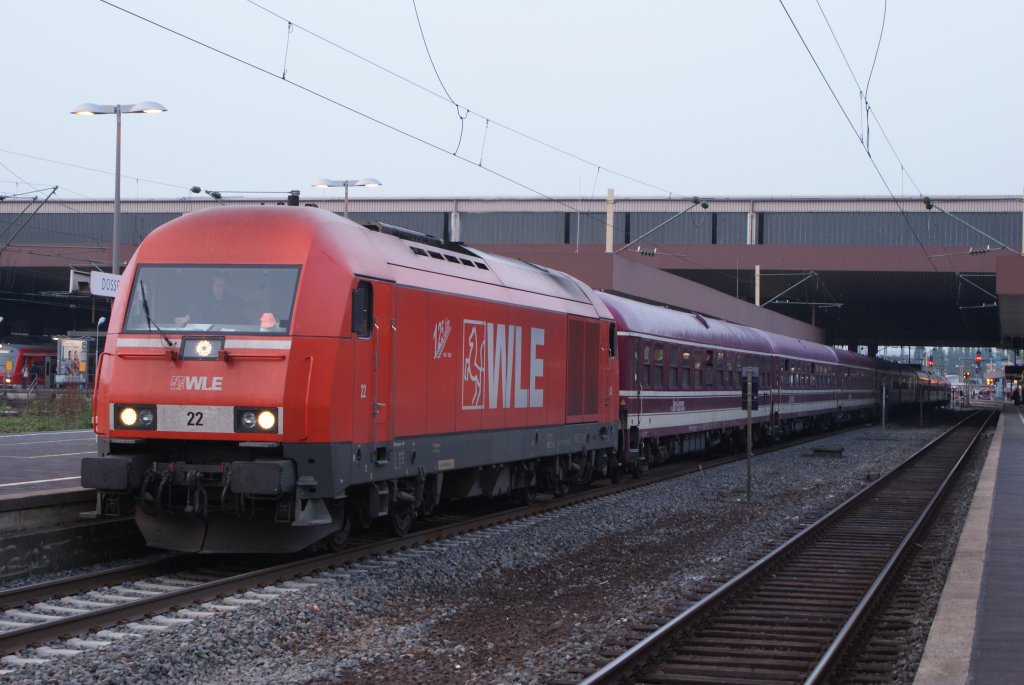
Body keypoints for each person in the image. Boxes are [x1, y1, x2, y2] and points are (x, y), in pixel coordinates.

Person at [175, 274, 248, 326]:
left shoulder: (234, 301)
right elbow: (195, 310)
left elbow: (242, 319)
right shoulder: (204, 300)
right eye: (215, 284)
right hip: (209, 334)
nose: (218, 287)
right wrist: (186, 318)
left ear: (226, 286)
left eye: (221, 285)